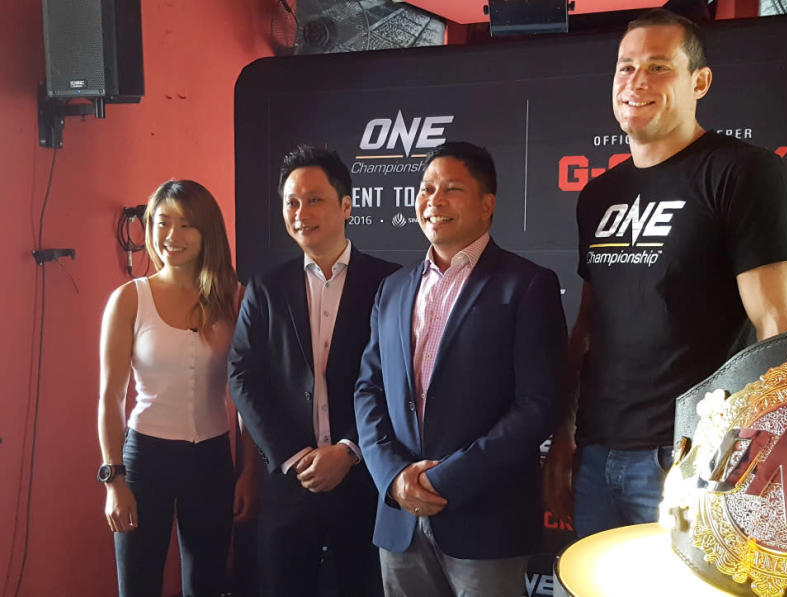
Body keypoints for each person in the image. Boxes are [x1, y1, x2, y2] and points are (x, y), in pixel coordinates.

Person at [543, 8, 787, 538]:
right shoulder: (599, 194)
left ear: (700, 81)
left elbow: (780, 325)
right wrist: (564, 438)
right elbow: (589, 327)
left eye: (659, 67)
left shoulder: (743, 171)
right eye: (625, 68)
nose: (636, 82)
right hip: (597, 457)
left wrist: (765, 447)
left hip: (694, 456)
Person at [354, 141, 568, 596]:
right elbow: (367, 390)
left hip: (486, 520)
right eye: (427, 188)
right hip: (399, 519)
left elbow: (538, 407)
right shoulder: (391, 289)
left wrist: (442, 479)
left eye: (451, 189)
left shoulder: (527, 285)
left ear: (487, 205)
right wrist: (394, 477)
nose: (434, 200)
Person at [228, 145, 399, 597]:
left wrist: (348, 449)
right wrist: (290, 455)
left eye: (315, 199)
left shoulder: (392, 283)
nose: (301, 212)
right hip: (289, 484)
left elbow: (399, 380)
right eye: (291, 202)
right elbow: (241, 374)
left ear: (346, 205)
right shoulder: (266, 287)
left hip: (364, 480)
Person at [97, 179, 257, 597]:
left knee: (205, 585)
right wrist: (114, 480)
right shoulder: (130, 299)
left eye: (186, 225)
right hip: (144, 459)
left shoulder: (234, 299)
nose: (172, 237)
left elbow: (245, 398)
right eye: (162, 223)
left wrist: (248, 473)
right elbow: (110, 397)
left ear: (207, 232)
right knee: (138, 585)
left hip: (211, 461)